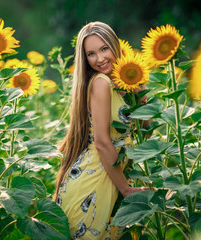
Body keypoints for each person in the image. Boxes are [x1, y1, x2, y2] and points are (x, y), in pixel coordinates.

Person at [54, 21, 149, 239]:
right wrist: (126, 190)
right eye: (91, 54)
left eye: (104, 49)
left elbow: (146, 133)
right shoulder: (100, 83)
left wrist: (139, 90)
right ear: (85, 59)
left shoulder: (120, 85)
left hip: (114, 179)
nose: (100, 59)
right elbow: (103, 142)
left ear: (115, 46)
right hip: (94, 184)